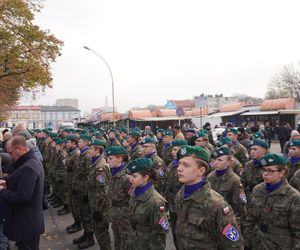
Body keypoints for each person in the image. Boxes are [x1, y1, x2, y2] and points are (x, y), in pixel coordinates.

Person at [175, 145, 243, 250]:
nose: (179, 168)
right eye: (179, 164)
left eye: (186, 165)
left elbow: (233, 245)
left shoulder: (216, 205)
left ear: (201, 171)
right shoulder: (181, 194)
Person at [244, 153, 300, 250]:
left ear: (282, 173)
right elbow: (250, 219)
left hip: (281, 244)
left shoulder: (293, 196)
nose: (265, 174)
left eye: (270, 171)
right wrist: (247, 242)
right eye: (264, 170)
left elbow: (298, 232)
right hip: (257, 241)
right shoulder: (258, 189)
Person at [0, 136, 45, 249]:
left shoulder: (28, 167)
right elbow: (20, 180)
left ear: (19, 149)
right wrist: (7, 183)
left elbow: (22, 196)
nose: (9, 156)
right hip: (29, 222)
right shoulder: (31, 161)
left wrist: (2, 191)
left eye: (10, 152)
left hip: (26, 224)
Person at [125, 158, 169, 250]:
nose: (130, 179)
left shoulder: (156, 202)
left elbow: (159, 235)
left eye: (134, 176)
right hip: (133, 240)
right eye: (130, 176)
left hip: (146, 244)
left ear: (145, 177)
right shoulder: (135, 192)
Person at [208, 147, 247, 223]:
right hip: (211, 218)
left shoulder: (235, 181)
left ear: (228, 162)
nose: (215, 162)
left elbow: (239, 208)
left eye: (220, 160)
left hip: (226, 220)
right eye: (215, 159)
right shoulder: (210, 177)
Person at [87, 139, 111, 250]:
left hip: (100, 206)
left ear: (98, 150)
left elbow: (102, 191)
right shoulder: (94, 162)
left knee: (102, 232)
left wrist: (98, 209)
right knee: (98, 230)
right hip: (95, 202)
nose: (89, 150)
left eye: (91, 148)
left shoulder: (100, 167)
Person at [106, 146, 131, 250]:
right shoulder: (112, 172)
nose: (107, 161)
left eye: (110, 158)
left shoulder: (127, 177)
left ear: (120, 159)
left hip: (125, 218)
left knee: (125, 243)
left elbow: (133, 200)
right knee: (117, 242)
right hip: (115, 214)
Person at [165, 139, 187, 249]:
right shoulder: (172, 164)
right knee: (175, 233)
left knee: (184, 236)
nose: (172, 152)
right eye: (172, 149)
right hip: (172, 205)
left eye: (175, 149)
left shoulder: (186, 167)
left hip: (183, 206)